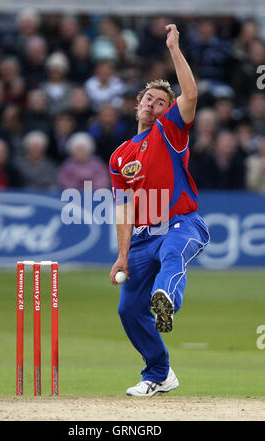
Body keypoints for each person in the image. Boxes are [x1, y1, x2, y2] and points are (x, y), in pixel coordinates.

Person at [109, 24, 210, 397]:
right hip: (141, 237)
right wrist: (122, 256)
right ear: (138, 104)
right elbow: (122, 208)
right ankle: (160, 373)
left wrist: (174, 49)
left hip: (182, 224)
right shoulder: (120, 155)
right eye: (148, 99)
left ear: (168, 111)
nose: (153, 104)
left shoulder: (169, 130)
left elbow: (192, 93)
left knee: (172, 254)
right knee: (128, 310)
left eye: (161, 101)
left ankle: (166, 298)